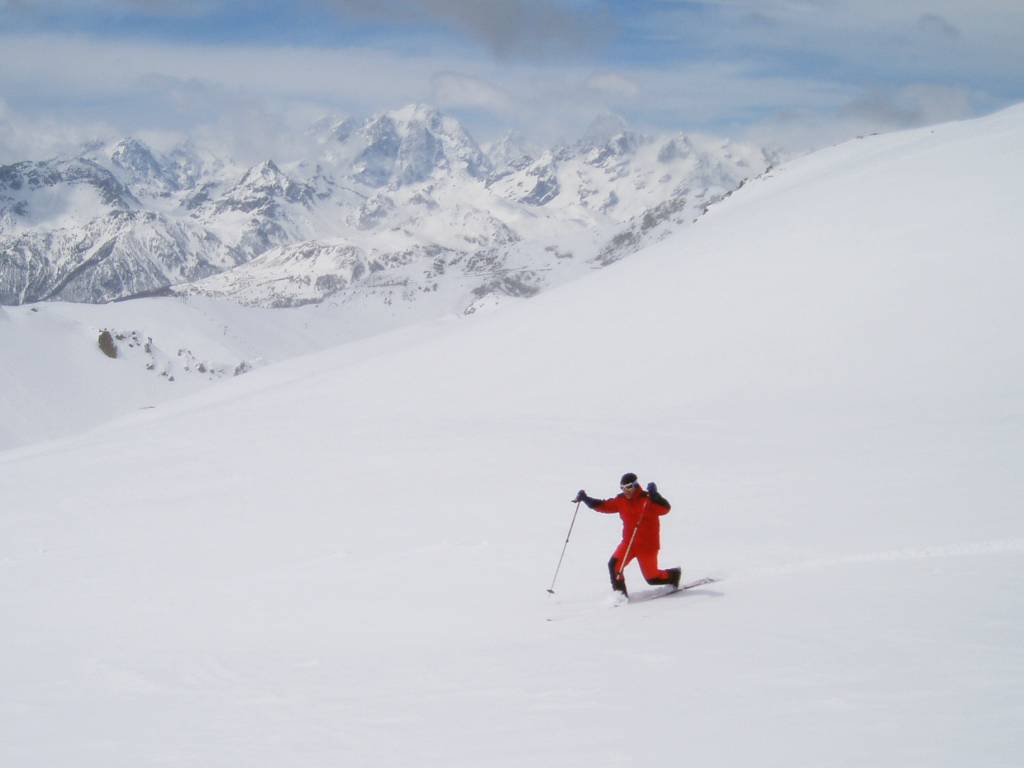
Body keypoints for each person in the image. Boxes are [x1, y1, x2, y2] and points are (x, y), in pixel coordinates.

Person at [574, 472, 681, 597]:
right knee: (614, 566)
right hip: (629, 544)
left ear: (636, 485)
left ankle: (674, 575)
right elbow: (604, 506)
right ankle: (620, 597)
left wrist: (656, 495)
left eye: (629, 487)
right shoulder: (621, 501)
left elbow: (665, 509)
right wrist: (586, 499)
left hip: (647, 546)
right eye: (622, 488)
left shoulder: (647, 500)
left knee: (652, 578)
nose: (626, 491)